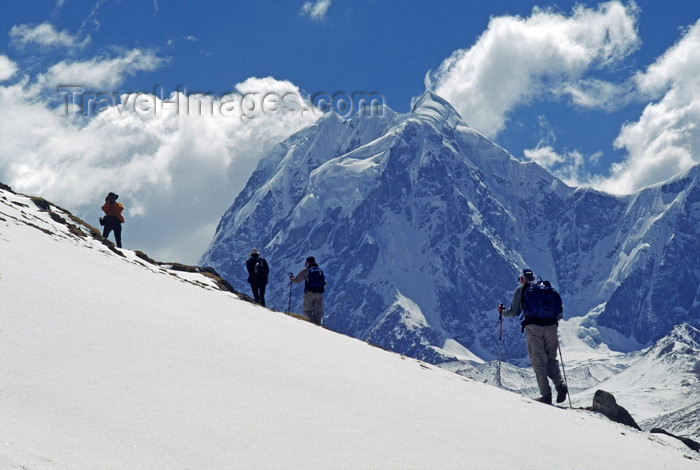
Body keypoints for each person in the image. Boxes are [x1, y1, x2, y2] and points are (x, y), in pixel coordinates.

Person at [498, 268, 568, 404]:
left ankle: (546, 395)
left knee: (538, 362)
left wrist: (502, 311)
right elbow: (559, 311)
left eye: (520, 279)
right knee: (551, 359)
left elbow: (514, 312)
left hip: (534, 327)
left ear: (523, 279)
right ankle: (560, 386)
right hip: (551, 327)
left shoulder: (522, 290)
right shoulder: (546, 288)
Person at [289, 256, 326, 325]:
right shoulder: (320, 270)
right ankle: (318, 326)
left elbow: (297, 280)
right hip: (319, 293)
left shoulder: (306, 270)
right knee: (318, 311)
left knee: (307, 310)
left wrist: (292, 278)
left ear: (308, 262)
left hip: (309, 292)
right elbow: (324, 283)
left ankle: (312, 325)